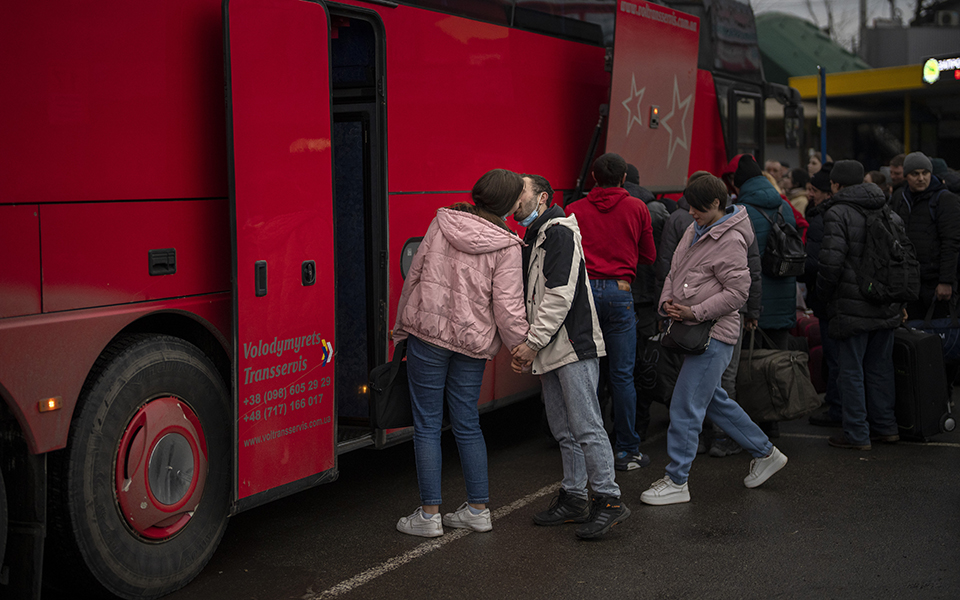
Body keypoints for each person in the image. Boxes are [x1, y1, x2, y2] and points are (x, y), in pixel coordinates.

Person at [392, 169, 529, 537]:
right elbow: (508, 307)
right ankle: (478, 509)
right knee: (467, 422)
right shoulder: (508, 245)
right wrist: (521, 347)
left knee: (427, 425)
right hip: (472, 345)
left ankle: (429, 515)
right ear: (508, 203)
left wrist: (401, 326)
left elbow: (415, 277)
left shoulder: (442, 224)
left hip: (429, 337)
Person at [640, 174, 788, 505]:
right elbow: (675, 271)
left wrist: (694, 312)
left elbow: (738, 293)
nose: (691, 213)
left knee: (685, 404)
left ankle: (677, 480)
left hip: (711, 334)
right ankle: (766, 453)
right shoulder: (699, 228)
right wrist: (667, 302)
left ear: (717, 205)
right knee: (710, 400)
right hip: (701, 332)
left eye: (698, 208)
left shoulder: (731, 239)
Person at [510, 174, 629, 539]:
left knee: (586, 426)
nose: (516, 201)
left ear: (543, 198)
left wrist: (532, 341)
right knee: (565, 428)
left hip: (570, 345)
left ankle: (609, 499)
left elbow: (559, 296)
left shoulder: (558, 232)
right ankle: (576, 497)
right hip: (555, 346)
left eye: (522, 193)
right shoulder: (540, 235)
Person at [566, 153, 656, 471]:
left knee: (586, 376)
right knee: (622, 375)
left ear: (593, 176)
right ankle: (627, 448)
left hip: (584, 294)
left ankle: (589, 444)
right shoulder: (637, 208)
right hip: (620, 293)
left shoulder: (573, 210)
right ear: (623, 179)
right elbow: (649, 255)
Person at [816, 160, 903, 449]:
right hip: (886, 303)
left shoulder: (837, 212)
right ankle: (886, 427)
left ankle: (856, 434)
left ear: (835, 184)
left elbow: (831, 262)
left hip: (851, 305)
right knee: (880, 369)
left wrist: (823, 295)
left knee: (850, 371)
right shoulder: (887, 209)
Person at [734, 155, 798, 350]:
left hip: (754, 300)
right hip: (784, 294)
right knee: (779, 363)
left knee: (751, 365)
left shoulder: (740, 212)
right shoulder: (785, 207)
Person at [890, 152, 960, 321]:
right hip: (908, 283)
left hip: (935, 282)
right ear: (907, 176)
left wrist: (946, 281)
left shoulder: (945, 200)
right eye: (915, 174)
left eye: (925, 173)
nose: (921, 178)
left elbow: (951, 242)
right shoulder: (900, 198)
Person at [802, 165, 842, 429]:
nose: (809, 194)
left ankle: (838, 409)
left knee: (836, 358)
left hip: (830, 301)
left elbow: (817, 265)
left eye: (814, 190)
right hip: (853, 300)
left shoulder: (821, 219)